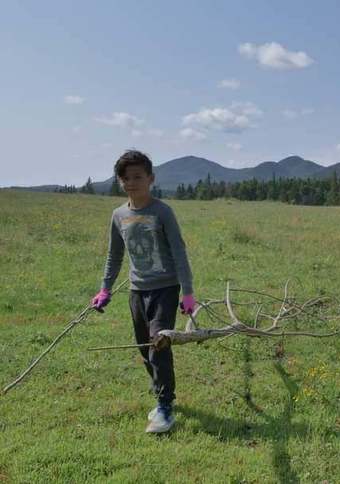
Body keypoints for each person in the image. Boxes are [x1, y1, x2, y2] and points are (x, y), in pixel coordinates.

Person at [90, 150, 196, 433]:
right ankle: (161, 390)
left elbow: (179, 252)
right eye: (125, 178)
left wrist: (187, 293)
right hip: (137, 291)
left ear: (151, 178)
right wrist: (105, 289)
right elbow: (115, 256)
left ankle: (165, 407)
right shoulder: (118, 215)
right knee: (143, 348)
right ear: (119, 181)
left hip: (165, 288)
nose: (131, 182)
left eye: (137, 176)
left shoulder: (162, 212)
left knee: (158, 344)